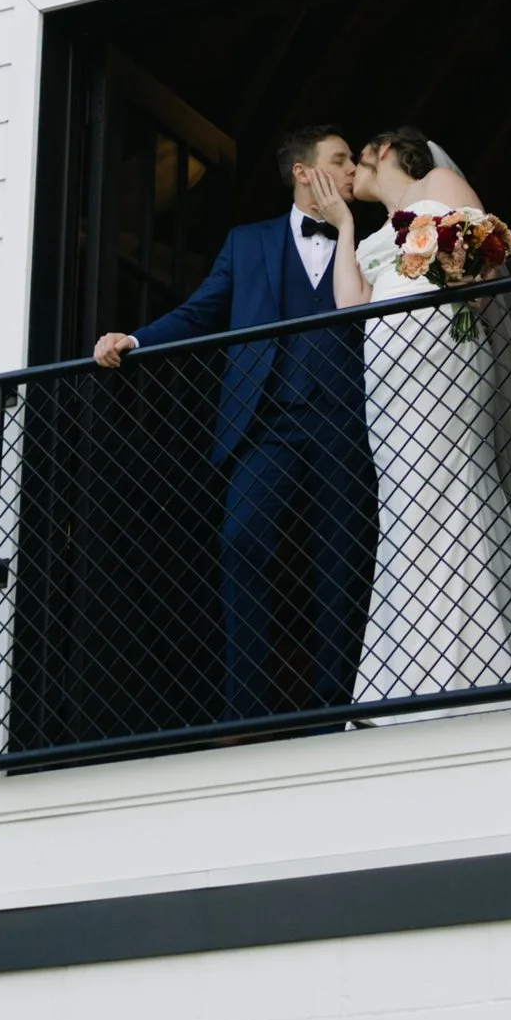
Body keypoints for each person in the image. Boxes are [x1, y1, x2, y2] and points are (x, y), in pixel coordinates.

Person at [92, 124, 375, 724]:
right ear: (304, 172)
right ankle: (244, 710)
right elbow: (202, 311)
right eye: (340, 159)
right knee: (241, 540)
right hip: (266, 422)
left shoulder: (370, 240)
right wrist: (135, 337)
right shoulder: (247, 243)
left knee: (342, 558)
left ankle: (333, 707)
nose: (352, 169)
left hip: (345, 420)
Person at [336, 127, 511, 703]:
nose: (353, 168)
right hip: (389, 368)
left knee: (451, 491)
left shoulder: (439, 182)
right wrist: (345, 226)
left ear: (388, 152)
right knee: (404, 505)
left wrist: (462, 275)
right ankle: (404, 679)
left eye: (361, 155)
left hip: (445, 349)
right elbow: (350, 307)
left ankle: (484, 669)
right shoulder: (376, 230)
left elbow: (481, 277)